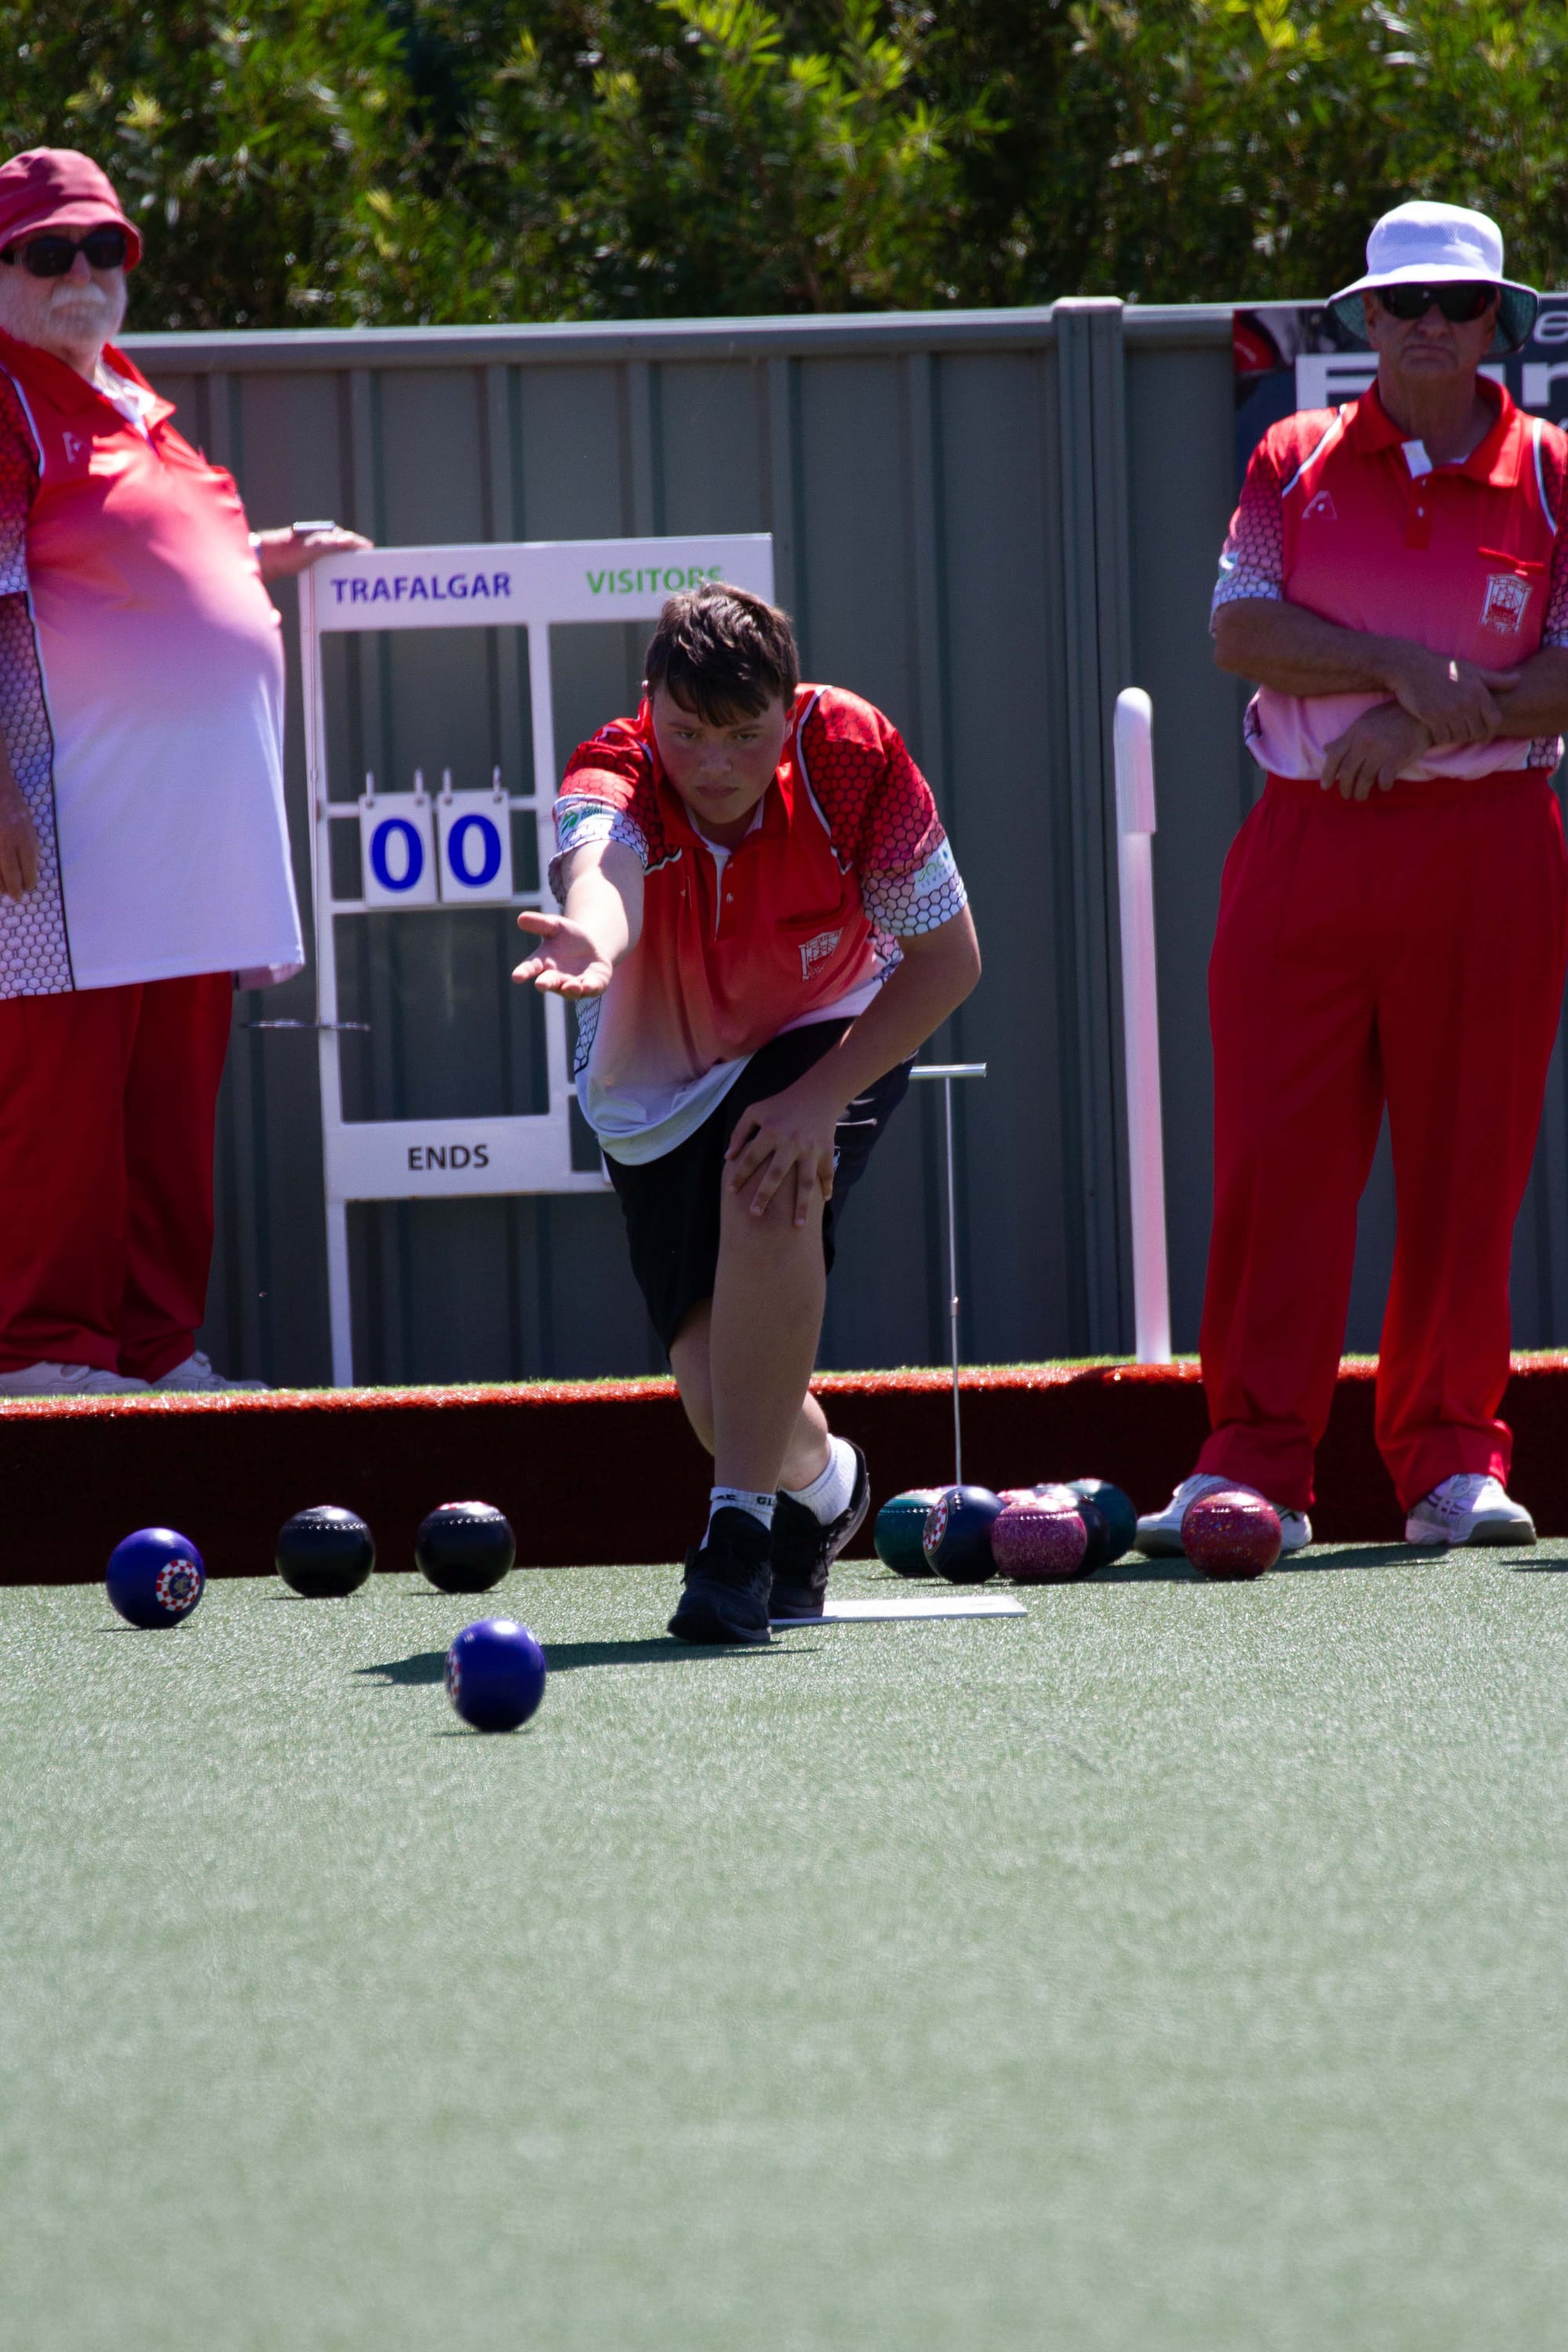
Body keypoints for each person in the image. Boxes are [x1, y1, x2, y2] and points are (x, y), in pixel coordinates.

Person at [1136, 201, 1568, 1557]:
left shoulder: (1556, 473)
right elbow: (1236, 627)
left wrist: (1421, 723)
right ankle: (1253, 1463)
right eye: (1406, 303)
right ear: (1365, 319)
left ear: (1498, 322)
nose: (1431, 324)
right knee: (1277, 1164)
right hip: (1308, 841)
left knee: (1468, 1168)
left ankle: (1450, 1465)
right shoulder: (1293, 454)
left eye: (1460, 302)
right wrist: (1401, 670)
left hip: (1491, 849)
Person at [515, 583, 981, 1641]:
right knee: (713, 1393)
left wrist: (819, 1097)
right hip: (661, 1075)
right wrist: (591, 933)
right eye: (687, 734)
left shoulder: (851, 753)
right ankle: (827, 1489)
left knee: (766, 1175)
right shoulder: (615, 768)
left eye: (743, 735)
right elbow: (603, 873)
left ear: (788, 706)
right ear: (651, 711)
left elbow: (948, 962)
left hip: (832, 1025)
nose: (713, 764)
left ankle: (735, 1544)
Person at [0, 147, 368, 1397]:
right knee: (62, 1104)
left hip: (192, 832)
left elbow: (138, 555)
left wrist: (256, 556)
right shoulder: (5, 399)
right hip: (67, 829)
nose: (81, 273)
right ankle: (44, 1352)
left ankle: (155, 1352)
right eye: (47, 251)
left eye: (104, 247)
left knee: (168, 1106)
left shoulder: (124, 387)